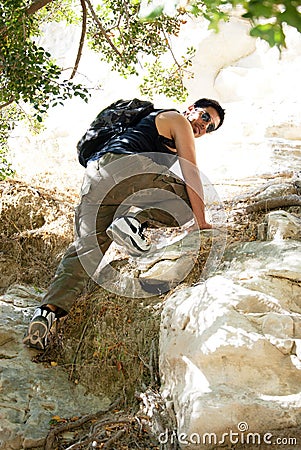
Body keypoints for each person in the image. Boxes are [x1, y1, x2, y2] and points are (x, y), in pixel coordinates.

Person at [23, 97, 225, 350]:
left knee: (85, 253)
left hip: (97, 176)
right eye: (205, 117)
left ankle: (46, 314)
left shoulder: (155, 128)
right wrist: (201, 221)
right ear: (190, 110)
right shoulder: (176, 119)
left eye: (211, 127)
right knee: (187, 202)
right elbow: (191, 171)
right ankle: (131, 223)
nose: (204, 127)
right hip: (125, 166)